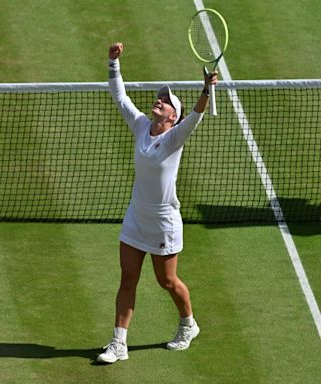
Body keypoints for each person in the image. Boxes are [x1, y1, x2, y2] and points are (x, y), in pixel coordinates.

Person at [97, 42, 218, 364]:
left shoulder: (175, 137)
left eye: (165, 102)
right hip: (136, 215)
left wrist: (205, 90)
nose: (159, 101)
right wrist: (113, 63)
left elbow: (195, 116)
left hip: (164, 220)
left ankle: (188, 324)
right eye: (160, 98)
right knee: (128, 279)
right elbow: (120, 97)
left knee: (166, 281)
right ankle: (118, 343)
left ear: (173, 116)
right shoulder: (140, 126)